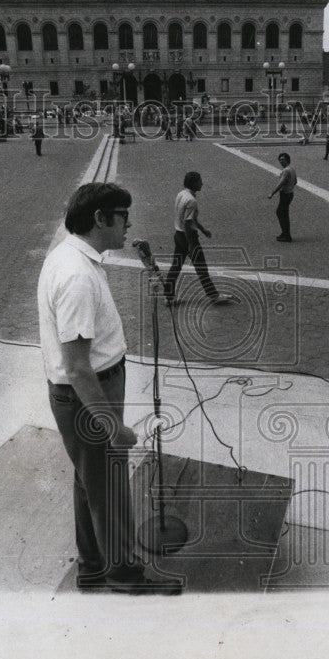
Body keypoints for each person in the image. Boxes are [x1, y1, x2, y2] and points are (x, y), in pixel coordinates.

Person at [37, 182, 182, 595]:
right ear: (100, 219)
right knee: (110, 489)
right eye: (122, 215)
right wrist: (112, 427)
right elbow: (78, 367)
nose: (128, 224)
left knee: (91, 483)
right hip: (89, 396)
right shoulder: (76, 275)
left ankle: (92, 565)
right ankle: (123, 576)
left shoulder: (71, 256)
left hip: (86, 396)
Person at [163, 172, 234, 306]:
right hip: (188, 237)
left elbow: (190, 219)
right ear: (194, 183)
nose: (202, 183)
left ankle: (168, 296)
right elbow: (188, 223)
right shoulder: (192, 201)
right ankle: (214, 296)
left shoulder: (181, 194)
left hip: (178, 235)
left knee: (175, 266)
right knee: (201, 268)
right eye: (200, 181)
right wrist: (191, 244)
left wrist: (203, 229)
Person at [268, 152, 297, 242]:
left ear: (287, 160)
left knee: (280, 213)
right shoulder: (291, 169)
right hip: (290, 193)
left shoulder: (286, 170)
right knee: (284, 213)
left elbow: (281, 183)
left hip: (285, 194)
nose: (281, 161)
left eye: (283, 159)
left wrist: (272, 193)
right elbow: (296, 181)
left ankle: (286, 235)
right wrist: (290, 186)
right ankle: (285, 233)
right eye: (280, 160)